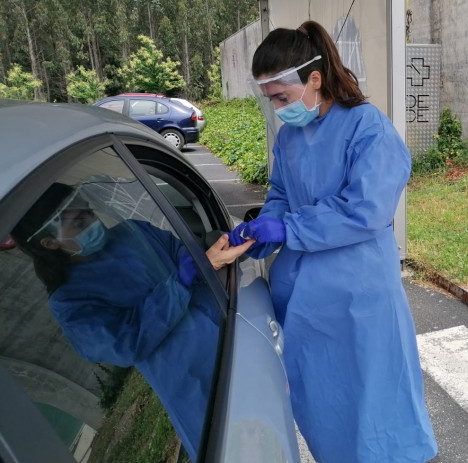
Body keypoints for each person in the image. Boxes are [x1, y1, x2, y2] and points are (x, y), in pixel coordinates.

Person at [227, 20, 438, 463]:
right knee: (325, 406)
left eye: (282, 97)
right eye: (270, 100)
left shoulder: (367, 128)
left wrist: (290, 229)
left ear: (314, 80)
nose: (278, 109)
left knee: (377, 404)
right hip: (304, 301)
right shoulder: (288, 138)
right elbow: (281, 195)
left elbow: (367, 209)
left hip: (359, 297)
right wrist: (261, 230)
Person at [11, 182, 252, 462]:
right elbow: (126, 344)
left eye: (88, 210)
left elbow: (190, 259)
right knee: (236, 450)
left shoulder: (133, 232)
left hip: (232, 339)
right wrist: (180, 282)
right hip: (196, 384)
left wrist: (224, 247)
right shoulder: (69, 301)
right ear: (49, 242)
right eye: (78, 221)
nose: (93, 220)